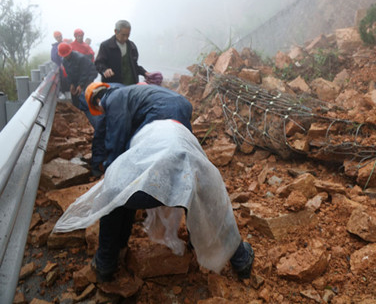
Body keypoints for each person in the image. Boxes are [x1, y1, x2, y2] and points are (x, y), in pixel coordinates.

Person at [53, 86, 254, 283]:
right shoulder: (176, 126)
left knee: (116, 195)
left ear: (97, 101)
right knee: (205, 199)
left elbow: (114, 142)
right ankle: (240, 260)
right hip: (187, 167)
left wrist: (107, 168)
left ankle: (107, 263)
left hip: (147, 184)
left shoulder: (118, 103)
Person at [95, 20, 150, 85]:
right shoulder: (106, 46)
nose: (125, 38)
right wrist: (105, 70)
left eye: (128, 35)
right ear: (116, 31)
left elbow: (134, 66)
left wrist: (145, 73)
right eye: (123, 35)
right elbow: (98, 63)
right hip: (113, 86)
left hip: (132, 86)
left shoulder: (132, 46)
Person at [57, 42, 99, 127]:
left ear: (70, 52)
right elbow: (68, 74)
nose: (65, 56)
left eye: (67, 54)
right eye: (63, 55)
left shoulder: (80, 58)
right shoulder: (64, 60)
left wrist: (81, 85)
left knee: (84, 94)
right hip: (77, 77)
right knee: (75, 96)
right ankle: (79, 116)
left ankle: (91, 119)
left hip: (89, 75)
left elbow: (84, 73)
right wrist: (71, 84)